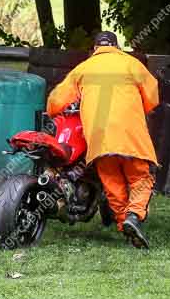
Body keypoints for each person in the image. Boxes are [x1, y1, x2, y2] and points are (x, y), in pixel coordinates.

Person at [46, 31, 159, 248]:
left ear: (95, 49)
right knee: (140, 179)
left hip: (99, 140)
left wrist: (53, 112)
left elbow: (56, 101)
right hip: (130, 136)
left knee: (113, 185)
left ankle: (124, 227)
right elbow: (152, 96)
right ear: (116, 47)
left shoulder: (84, 68)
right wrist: (140, 107)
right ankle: (133, 217)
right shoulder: (131, 63)